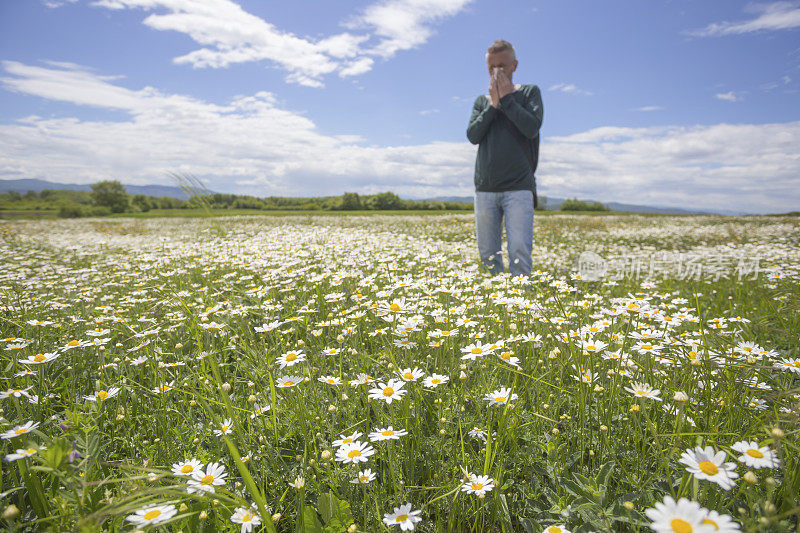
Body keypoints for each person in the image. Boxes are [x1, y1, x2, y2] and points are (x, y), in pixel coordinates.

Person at [466, 39, 543, 277]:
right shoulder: (482, 101)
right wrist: (493, 105)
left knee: (520, 251)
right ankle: (494, 306)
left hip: (519, 188)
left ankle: (522, 304)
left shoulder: (529, 93)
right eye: (492, 67)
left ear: (514, 65)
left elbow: (531, 128)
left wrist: (508, 99)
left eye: (502, 65)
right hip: (485, 189)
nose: (497, 71)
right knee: (488, 254)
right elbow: (473, 135)